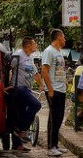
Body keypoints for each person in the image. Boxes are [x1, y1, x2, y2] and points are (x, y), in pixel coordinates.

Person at [9, 37, 43, 152]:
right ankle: (22, 130)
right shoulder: (18, 55)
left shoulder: (30, 57)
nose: (36, 46)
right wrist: (6, 85)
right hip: (18, 88)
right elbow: (8, 68)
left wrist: (42, 86)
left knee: (20, 116)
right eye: (34, 44)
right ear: (28, 45)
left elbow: (34, 73)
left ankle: (17, 144)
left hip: (27, 89)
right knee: (36, 104)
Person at [41, 29, 68, 157]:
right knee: (54, 118)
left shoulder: (59, 52)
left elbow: (59, 70)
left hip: (61, 89)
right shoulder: (49, 51)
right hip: (54, 90)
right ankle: (51, 146)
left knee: (59, 118)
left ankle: (55, 145)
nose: (65, 39)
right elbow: (44, 71)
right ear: (59, 37)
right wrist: (50, 89)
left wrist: (65, 81)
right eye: (63, 37)